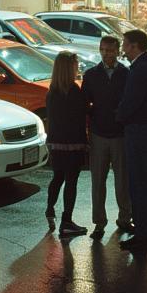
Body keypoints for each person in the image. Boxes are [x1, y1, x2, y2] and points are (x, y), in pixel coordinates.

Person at [81, 35, 133, 241]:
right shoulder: (92, 75)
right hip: (99, 133)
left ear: (117, 51)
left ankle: (124, 218)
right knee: (98, 181)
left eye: (110, 50)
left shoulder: (125, 74)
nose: (106, 54)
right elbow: (85, 102)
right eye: (102, 50)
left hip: (119, 133)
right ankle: (99, 222)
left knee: (122, 180)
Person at [115, 29, 147, 253]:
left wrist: (118, 117)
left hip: (139, 130)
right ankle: (143, 231)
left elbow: (131, 101)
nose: (123, 48)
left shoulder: (139, 69)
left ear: (134, 46)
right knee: (142, 183)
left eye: (125, 44)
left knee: (139, 183)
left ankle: (143, 235)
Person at [44, 51, 88, 239]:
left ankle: (50, 209)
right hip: (73, 142)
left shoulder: (52, 91)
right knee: (72, 181)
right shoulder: (74, 91)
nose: (77, 68)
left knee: (58, 177)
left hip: (56, 142)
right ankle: (67, 220)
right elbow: (81, 116)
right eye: (75, 65)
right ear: (69, 68)